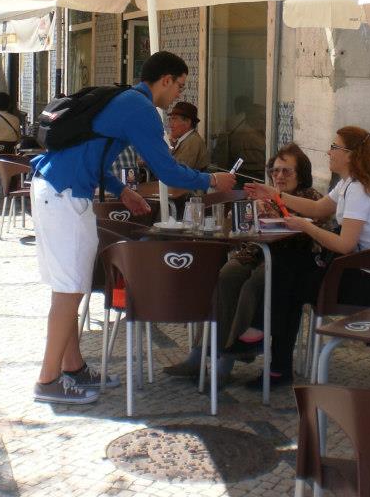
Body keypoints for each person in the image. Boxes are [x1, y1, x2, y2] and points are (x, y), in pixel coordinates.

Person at [28, 51, 237, 405]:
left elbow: (93, 154)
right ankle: (48, 381)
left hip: (54, 187)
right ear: (165, 80)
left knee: (69, 289)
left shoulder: (124, 99)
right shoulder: (142, 110)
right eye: (179, 85)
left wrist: (122, 191)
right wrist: (213, 180)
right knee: (68, 291)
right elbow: (167, 171)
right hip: (65, 194)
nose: (178, 95)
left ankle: (73, 367)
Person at [244, 125, 370, 387]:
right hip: (353, 269)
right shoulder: (348, 183)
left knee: (288, 281)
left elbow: (345, 244)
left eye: (335, 147)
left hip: (367, 282)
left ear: (350, 154)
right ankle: (273, 357)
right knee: (286, 267)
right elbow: (316, 208)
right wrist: (275, 194)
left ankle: (270, 351)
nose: (329, 152)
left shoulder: (359, 190)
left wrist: (305, 226)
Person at [163, 143, 324, 383]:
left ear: (300, 174)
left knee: (254, 284)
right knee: (226, 276)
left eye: (286, 171)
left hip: (289, 259)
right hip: (255, 253)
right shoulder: (263, 195)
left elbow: (309, 229)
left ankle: (228, 359)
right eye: (275, 171)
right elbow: (238, 229)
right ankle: (199, 354)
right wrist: (245, 213)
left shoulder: (311, 197)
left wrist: (275, 211)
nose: (279, 176)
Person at [166, 101, 209, 170]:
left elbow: (177, 172)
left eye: (174, 119)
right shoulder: (187, 140)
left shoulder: (192, 142)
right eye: (170, 120)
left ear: (188, 122)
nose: (170, 125)